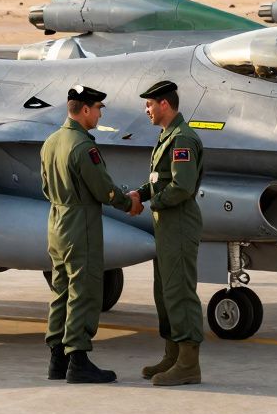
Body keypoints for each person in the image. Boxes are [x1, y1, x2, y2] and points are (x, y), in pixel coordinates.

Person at [40, 85, 143, 384]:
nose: (99, 114)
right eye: (98, 108)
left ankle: (57, 360)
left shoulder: (51, 142)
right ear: (84, 110)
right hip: (80, 225)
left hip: (57, 223)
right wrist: (129, 203)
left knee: (61, 291)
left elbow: (46, 188)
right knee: (83, 292)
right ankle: (79, 360)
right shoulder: (84, 147)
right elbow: (105, 189)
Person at [128, 80, 205, 386]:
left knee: (180, 293)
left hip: (179, 224)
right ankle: (171, 355)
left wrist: (152, 203)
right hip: (166, 224)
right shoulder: (166, 137)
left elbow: (182, 187)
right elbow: (161, 180)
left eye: (149, 104)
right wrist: (142, 193)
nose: (146, 110)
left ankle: (188, 364)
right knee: (164, 293)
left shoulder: (183, 138)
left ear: (164, 104)